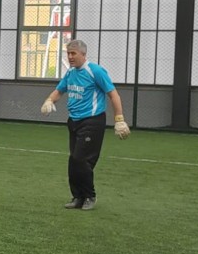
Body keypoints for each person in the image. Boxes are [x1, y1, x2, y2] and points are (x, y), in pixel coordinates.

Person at [40, 39, 131, 211]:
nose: (70, 57)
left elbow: (114, 95)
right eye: (68, 53)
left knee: (80, 159)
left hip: (92, 121)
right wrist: (49, 100)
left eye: (73, 53)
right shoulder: (70, 73)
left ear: (83, 54)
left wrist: (119, 119)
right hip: (73, 121)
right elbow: (59, 90)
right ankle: (77, 197)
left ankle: (90, 196)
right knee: (73, 160)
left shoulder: (95, 71)